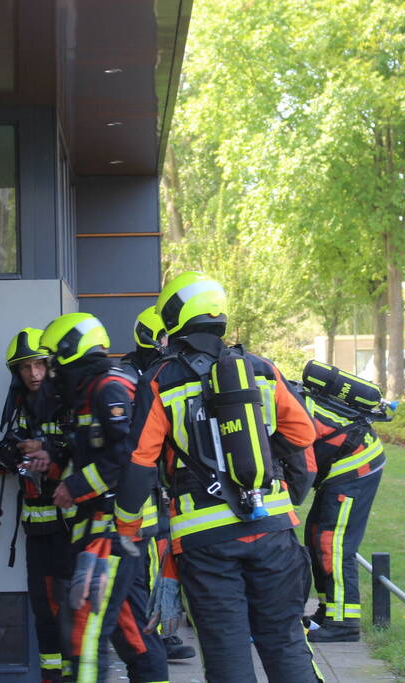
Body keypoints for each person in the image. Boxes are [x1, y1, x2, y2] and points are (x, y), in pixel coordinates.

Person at [116, 271, 322, 683]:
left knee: (226, 649)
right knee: (284, 641)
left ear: (173, 319)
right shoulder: (260, 368)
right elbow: (303, 433)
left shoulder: (160, 380)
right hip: (272, 528)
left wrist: (127, 524)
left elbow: (141, 461)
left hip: (206, 542)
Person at [39, 313, 168, 683]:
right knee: (132, 633)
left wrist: (75, 486)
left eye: (52, 360)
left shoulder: (108, 387)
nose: (50, 371)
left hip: (113, 529)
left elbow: (128, 455)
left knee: (86, 627)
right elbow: (93, 454)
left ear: (69, 351)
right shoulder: (89, 391)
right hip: (103, 528)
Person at [0, 328, 69, 682]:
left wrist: (46, 453)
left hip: (71, 529)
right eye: (25, 367)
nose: (33, 374)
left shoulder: (67, 404)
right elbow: (16, 449)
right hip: (37, 528)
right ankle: (52, 677)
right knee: (44, 609)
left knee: (71, 610)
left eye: (39, 364)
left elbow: (79, 455)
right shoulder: (23, 409)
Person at [119, 306, 195, 662]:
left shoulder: (163, 372)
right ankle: (155, 636)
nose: (171, 343)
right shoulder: (136, 374)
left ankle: (165, 629)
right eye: (166, 336)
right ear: (153, 337)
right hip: (143, 486)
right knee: (153, 558)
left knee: (167, 555)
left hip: (162, 482)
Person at [301, 390, 386, 643]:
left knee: (332, 542)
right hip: (340, 462)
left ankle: (344, 623)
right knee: (315, 536)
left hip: (355, 462)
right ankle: (328, 612)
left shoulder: (280, 406)